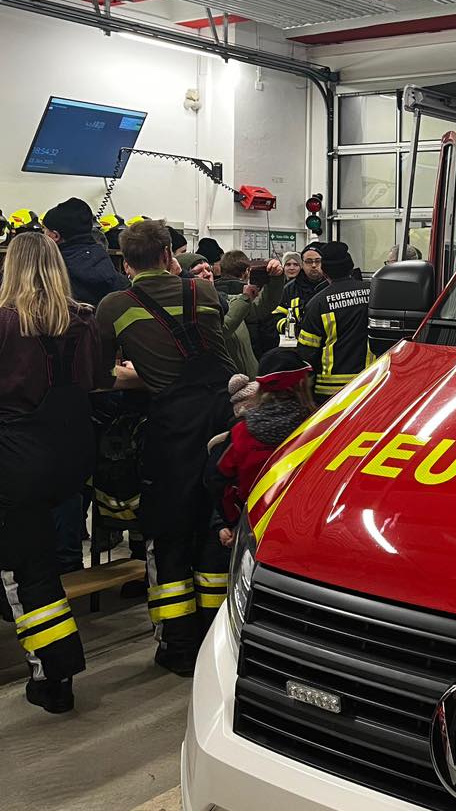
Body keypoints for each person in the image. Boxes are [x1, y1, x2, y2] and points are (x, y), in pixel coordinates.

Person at [96, 220, 233, 675]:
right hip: (221, 424)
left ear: (124, 260)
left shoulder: (115, 305)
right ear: (168, 254)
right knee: (214, 527)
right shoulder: (206, 294)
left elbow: (99, 375)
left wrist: (139, 376)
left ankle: (177, 647)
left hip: (170, 431)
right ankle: (218, 637)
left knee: (169, 534)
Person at [0, 233, 107, 713]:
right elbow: (94, 382)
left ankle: (54, 675)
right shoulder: (82, 320)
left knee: (25, 574)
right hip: (69, 456)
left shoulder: (3, 323)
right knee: (39, 561)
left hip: (17, 459)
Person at [205, 350, 315, 550]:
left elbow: (216, 479)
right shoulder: (317, 427)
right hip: (304, 526)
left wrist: (231, 520)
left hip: (255, 527)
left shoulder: (242, 432)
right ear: (301, 384)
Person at [296, 242, 370, 401]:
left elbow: (307, 352)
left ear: (324, 271)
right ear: (351, 267)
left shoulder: (318, 303)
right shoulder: (373, 292)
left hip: (331, 391)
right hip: (370, 381)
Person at [42, 197, 130, 307]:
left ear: (55, 236)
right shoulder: (104, 261)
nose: (43, 234)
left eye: (44, 230)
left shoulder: (52, 271)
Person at [274, 243, 325, 334]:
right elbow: (277, 316)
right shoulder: (289, 289)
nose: (313, 265)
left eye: (317, 261)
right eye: (309, 261)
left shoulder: (331, 286)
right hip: (297, 343)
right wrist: (292, 329)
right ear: (302, 264)